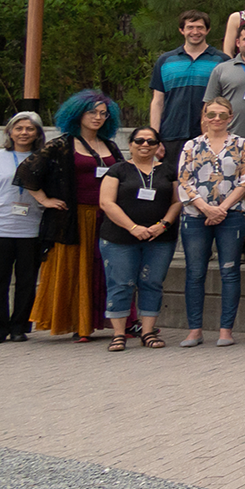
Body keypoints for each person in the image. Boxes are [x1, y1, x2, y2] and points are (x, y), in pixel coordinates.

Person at [171, 96, 245, 348]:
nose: (216, 119)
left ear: (230, 117)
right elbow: (184, 180)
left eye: (221, 115)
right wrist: (206, 208)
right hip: (196, 216)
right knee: (195, 273)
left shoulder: (241, 144)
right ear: (204, 117)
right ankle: (194, 329)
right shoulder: (191, 146)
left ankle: (226, 330)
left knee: (229, 271)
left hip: (231, 215)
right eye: (211, 114)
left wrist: (222, 209)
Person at [96, 127, 180, 352]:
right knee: (121, 283)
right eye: (139, 140)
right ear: (130, 143)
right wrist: (133, 228)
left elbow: (177, 202)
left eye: (151, 141)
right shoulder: (117, 170)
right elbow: (106, 203)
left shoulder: (168, 171)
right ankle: (118, 333)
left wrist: (162, 226)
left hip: (160, 238)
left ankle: (148, 332)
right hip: (119, 238)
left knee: (152, 283)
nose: (145, 145)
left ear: (158, 145)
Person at [0, 112, 47, 343]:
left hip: (31, 229)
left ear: (38, 133)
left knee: (27, 281)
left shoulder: (43, 158)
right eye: (19, 128)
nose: (24, 133)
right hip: (0, 228)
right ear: (10, 132)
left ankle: (19, 326)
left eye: (30, 129)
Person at [152, 10, 229, 153]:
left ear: (208, 30)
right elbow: (157, 101)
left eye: (200, 27)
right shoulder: (165, 61)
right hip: (171, 135)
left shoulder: (222, 61)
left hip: (210, 135)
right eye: (190, 27)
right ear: (182, 30)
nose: (195, 32)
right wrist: (154, 137)